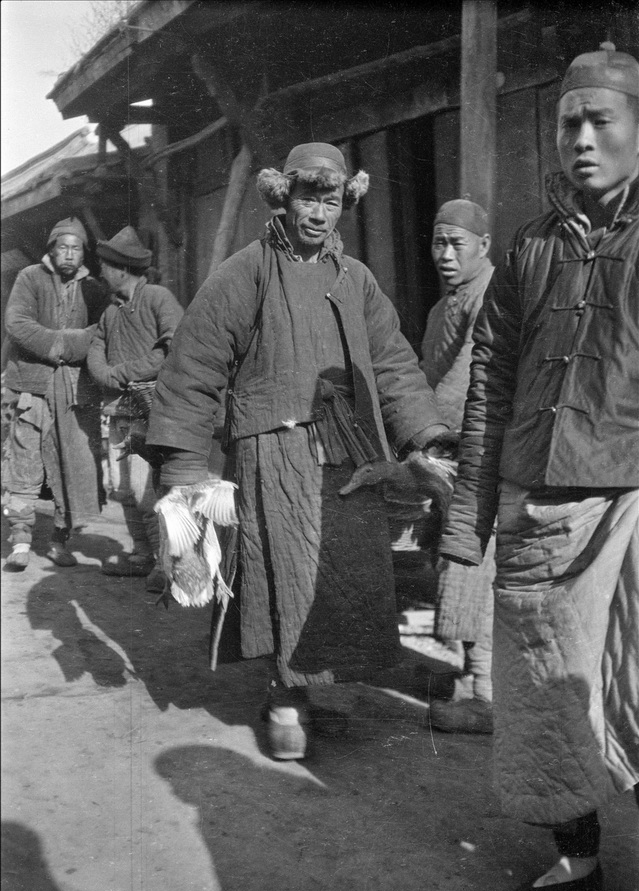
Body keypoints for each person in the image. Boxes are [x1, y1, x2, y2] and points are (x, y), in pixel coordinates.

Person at [146, 142, 454, 761]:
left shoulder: (357, 279)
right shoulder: (246, 271)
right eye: (308, 197)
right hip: (276, 450)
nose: (318, 212)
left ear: (345, 204)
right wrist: (183, 469)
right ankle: (287, 694)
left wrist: (427, 434)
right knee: (287, 572)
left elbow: (393, 364)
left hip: (349, 453)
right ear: (283, 197)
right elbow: (195, 364)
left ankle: (325, 683)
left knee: (345, 573)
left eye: (331, 199)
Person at [439, 44, 639, 891]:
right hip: (536, 504)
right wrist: (468, 521)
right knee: (544, 694)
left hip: (630, 502)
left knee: (630, 693)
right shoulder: (526, 249)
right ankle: (577, 860)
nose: (582, 140)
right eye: (569, 124)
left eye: (603, 122)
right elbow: (490, 384)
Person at [419, 199, 495, 734]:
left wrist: (425, 434)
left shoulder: (490, 293)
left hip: (485, 449)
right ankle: (471, 678)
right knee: (454, 562)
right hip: (455, 451)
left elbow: (466, 379)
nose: (445, 255)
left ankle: (485, 694)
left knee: (471, 566)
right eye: (437, 243)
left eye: (456, 244)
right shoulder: (443, 305)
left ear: (483, 247)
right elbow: (424, 374)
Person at [2, 217, 107, 570]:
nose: (69, 254)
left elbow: (102, 331)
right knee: (25, 459)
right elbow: (18, 323)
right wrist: (62, 344)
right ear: (51, 249)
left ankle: (61, 540)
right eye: (62, 246)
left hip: (74, 390)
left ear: (83, 254)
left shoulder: (93, 289)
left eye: (76, 248)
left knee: (71, 463)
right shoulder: (30, 278)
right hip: (31, 386)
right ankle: (20, 538)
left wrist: (74, 344)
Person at [87, 226, 184, 593]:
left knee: (146, 490)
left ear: (122, 269)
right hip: (118, 410)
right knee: (124, 489)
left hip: (150, 409)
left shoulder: (158, 298)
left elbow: (171, 346)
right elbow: (96, 349)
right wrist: (107, 375)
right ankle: (141, 555)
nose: (100, 272)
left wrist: (121, 373)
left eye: (105, 266)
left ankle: (163, 563)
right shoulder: (110, 311)